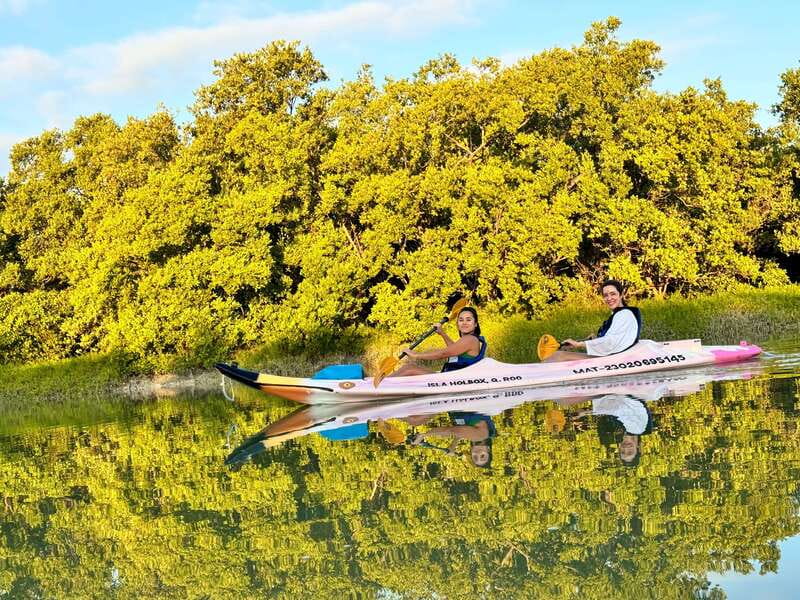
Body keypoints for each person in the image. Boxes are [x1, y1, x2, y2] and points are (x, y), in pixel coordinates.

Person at [544, 279, 642, 362]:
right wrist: (596, 339)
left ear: (621, 295)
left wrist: (580, 344)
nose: (609, 298)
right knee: (558, 355)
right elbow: (616, 338)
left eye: (613, 294)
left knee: (558, 356)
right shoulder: (619, 314)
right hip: (611, 356)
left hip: (613, 360)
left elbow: (611, 342)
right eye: (606, 295)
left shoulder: (625, 314)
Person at [390, 307, 487, 376]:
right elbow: (454, 352)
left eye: (468, 320)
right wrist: (442, 333)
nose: (464, 323)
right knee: (409, 367)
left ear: (475, 324)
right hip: (451, 377)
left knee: (409, 369)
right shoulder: (470, 339)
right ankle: (383, 383)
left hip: (454, 381)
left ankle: (381, 387)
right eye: (461, 320)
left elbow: (443, 353)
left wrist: (415, 355)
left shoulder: (470, 339)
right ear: (457, 324)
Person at [410, 411, 496, 469]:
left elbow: (460, 431)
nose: (478, 454)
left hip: (455, 405)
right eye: (482, 456)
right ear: (488, 449)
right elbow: (452, 430)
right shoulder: (480, 436)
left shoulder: (481, 435)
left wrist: (453, 446)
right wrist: (422, 435)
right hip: (459, 402)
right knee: (415, 421)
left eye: (475, 457)